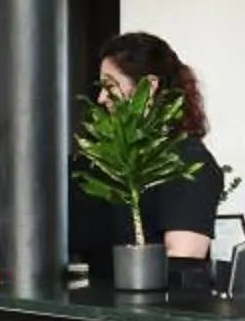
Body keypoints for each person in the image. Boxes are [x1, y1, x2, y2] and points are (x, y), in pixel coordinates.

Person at [70, 32, 226, 274]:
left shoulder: (186, 160)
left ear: (149, 86)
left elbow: (183, 261)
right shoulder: (108, 160)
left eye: (110, 86)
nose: (101, 98)